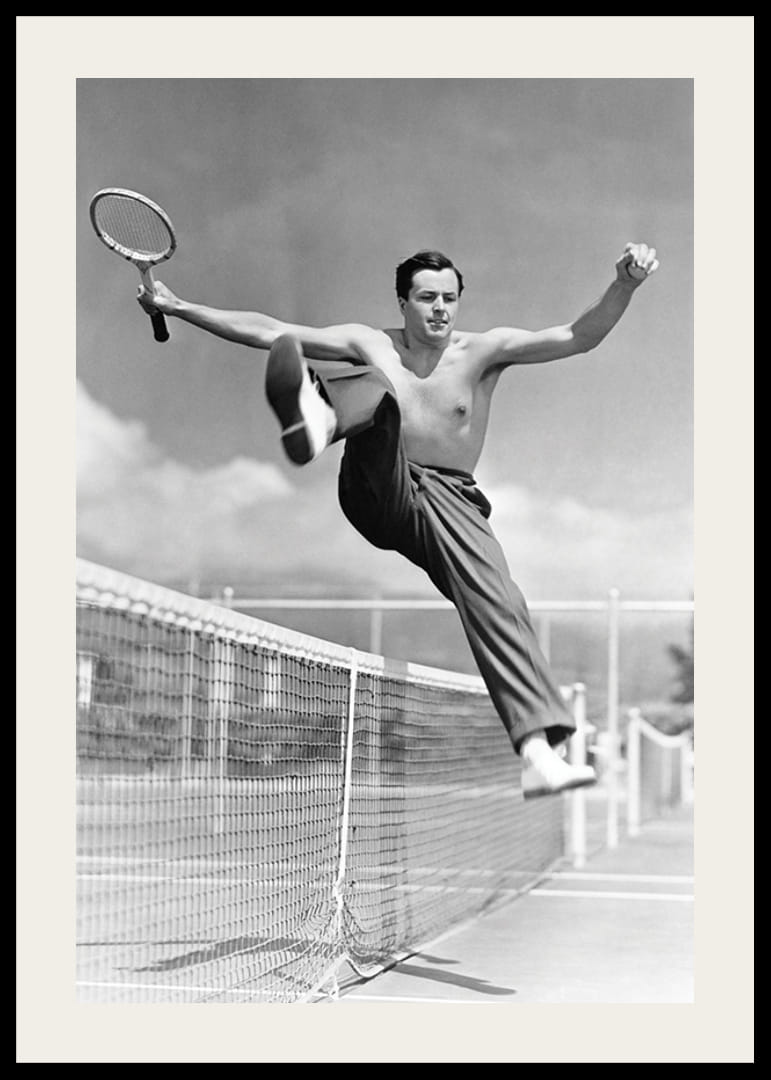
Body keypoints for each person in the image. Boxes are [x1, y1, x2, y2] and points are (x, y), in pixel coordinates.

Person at [138, 241, 659, 799]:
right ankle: (322, 414)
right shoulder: (372, 342)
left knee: (501, 599)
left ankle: (537, 752)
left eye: (450, 299)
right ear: (403, 303)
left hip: (451, 501)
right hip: (379, 487)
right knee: (378, 391)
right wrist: (178, 306)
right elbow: (270, 331)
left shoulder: (485, 352)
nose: (440, 309)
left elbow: (579, 336)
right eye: (427, 298)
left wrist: (624, 283)